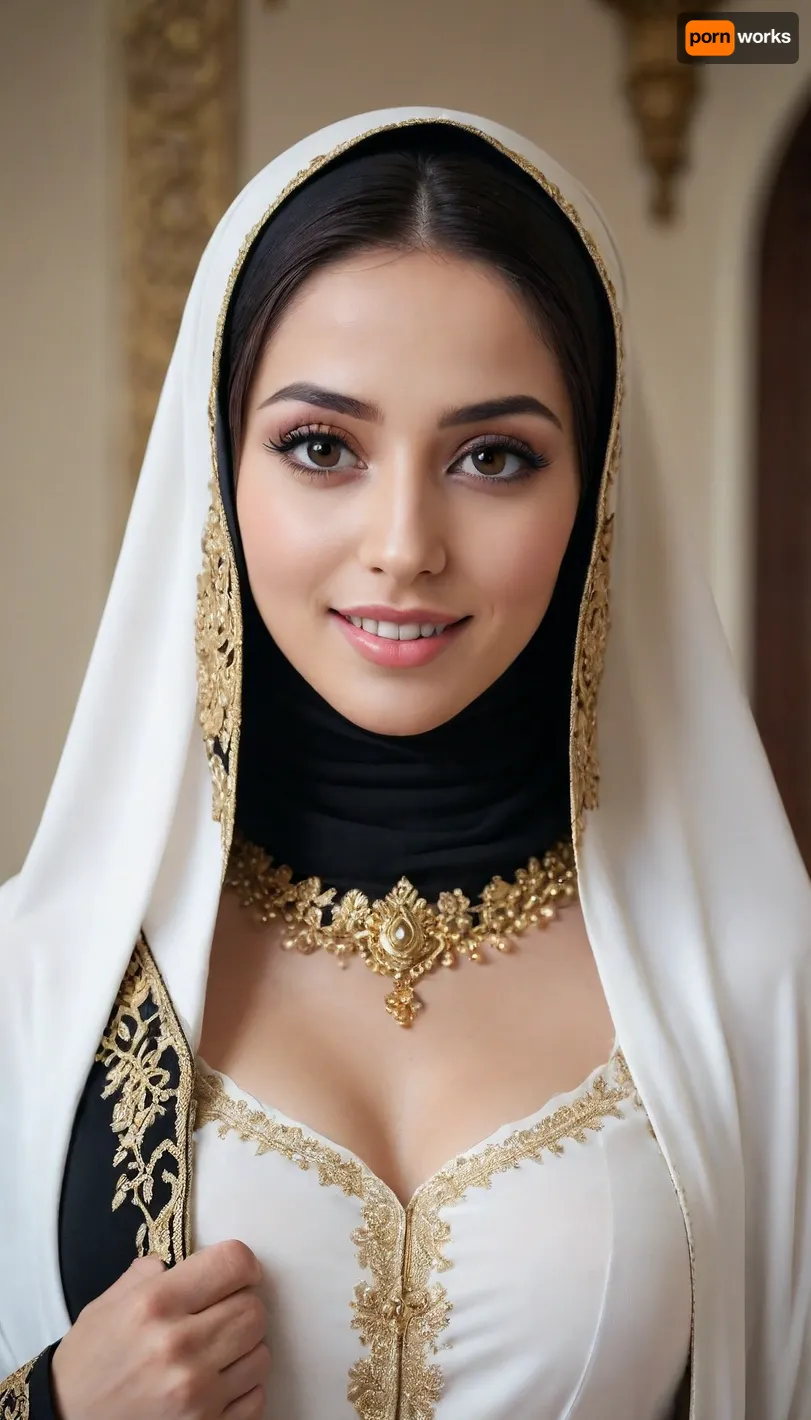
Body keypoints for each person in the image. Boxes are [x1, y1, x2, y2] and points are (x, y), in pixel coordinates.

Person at [1, 104, 810, 1420]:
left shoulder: (757, 990)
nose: (402, 544)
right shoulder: (36, 988)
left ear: (593, 496)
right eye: (322, 447)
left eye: (493, 458)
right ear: (220, 474)